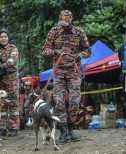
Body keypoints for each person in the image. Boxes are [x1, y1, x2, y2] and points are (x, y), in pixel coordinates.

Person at [42, 10, 91, 144]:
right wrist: (55, 51)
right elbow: (45, 50)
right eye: (62, 23)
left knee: (75, 101)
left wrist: (81, 54)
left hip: (74, 72)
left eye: (66, 24)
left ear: (72, 21)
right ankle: (64, 132)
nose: (63, 26)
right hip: (58, 73)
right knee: (59, 102)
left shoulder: (79, 32)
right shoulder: (54, 31)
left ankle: (70, 129)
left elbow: (88, 50)